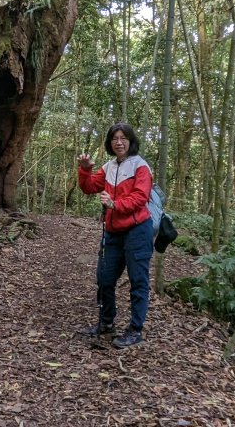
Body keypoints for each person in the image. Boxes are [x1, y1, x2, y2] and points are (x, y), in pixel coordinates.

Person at [77, 122, 154, 348]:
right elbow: (89, 187)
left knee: (138, 280)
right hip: (113, 233)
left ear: (131, 141)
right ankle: (106, 323)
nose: (119, 142)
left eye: (123, 138)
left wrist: (115, 203)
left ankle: (135, 329)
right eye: (114, 139)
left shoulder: (141, 167)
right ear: (110, 143)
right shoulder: (109, 167)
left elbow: (141, 197)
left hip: (137, 231)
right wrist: (84, 169)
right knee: (104, 278)